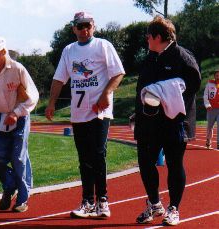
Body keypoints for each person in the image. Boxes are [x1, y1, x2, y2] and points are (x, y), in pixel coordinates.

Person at [45, 12, 125, 218]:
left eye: (87, 25)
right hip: (79, 112)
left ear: (93, 26)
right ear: (73, 29)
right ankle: (87, 201)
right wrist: (51, 102)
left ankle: (103, 201)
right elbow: (59, 79)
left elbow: (118, 72)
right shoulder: (69, 51)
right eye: (79, 26)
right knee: (84, 158)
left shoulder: (102, 46)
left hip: (99, 110)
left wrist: (107, 93)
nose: (84, 30)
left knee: (98, 154)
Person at [134, 16, 201, 226]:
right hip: (149, 123)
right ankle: (154, 204)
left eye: (148, 36)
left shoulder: (182, 56)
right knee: (145, 162)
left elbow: (193, 83)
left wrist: (169, 91)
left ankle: (174, 208)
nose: (146, 39)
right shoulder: (149, 59)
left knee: (174, 164)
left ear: (158, 36)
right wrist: (138, 113)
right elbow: (141, 90)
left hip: (175, 122)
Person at [0, 36, 39, 212]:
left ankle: (22, 198)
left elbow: (33, 96)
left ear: (4, 52)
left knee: (18, 158)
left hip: (19, 118)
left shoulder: (18, 69)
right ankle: (10, 184)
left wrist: (17, 112)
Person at [203, 69, 219, 149]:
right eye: (217, 75)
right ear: (214, 76)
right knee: (210, 127)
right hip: (211, 109)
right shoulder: (209, 84)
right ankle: (208, 140)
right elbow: (205, 95)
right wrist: (207, 105)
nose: (218, 77)